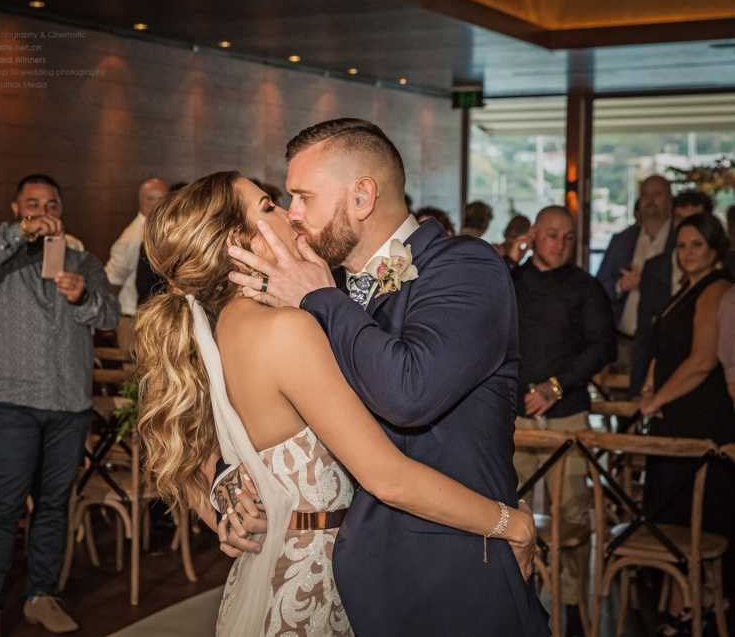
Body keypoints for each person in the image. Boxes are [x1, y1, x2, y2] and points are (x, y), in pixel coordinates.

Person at [135, 170, 539, 637]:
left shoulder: (225, 325)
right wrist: (510, 525)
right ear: (235, 243)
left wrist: (228, 490)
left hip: (285, 573)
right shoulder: (287, 329)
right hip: (317, 583)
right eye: (269, 206)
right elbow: (387, 476)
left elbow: (211, 444)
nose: (290, 213)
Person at [0, 174, 119, 637]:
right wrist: (21, 234)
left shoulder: (83, 261)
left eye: (50, 203)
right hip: (11, 402)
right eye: (32, 204)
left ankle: (42, 596)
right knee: (4, 504)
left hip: (69, 403)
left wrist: (83, 297)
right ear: (16, 209)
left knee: (54, 504)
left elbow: (109, 313)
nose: (42, 210)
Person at [511, 205, 616, 636]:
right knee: (507, 508)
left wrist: (555, 386)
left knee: (571, 514)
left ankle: (571, 608)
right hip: (514, 416)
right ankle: (514, 598)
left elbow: (601, 347)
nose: (561, 244)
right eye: (552, 235)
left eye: (569, 237)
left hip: (566, 414)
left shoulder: (585, 287)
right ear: (534, 235)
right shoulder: (511, 278)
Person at [639, 212, 735, 634]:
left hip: (700, 417)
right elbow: (668, 353)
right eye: (681, 245)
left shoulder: (715, 290)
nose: (687, 252)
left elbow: (701, 361)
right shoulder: (687, 289)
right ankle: (687, 600)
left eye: (696, 244)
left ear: (715, 248)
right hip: (676, 414)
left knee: (693, 514)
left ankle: (693, 604)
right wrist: (649, 389)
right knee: (673, 513)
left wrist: (655, 399)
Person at [630, 190, 715, 395]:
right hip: (663, 379)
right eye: (679, 219)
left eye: (694, 220)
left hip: (707, 383)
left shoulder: (722, 279)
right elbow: (645, 336)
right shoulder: (654, 267)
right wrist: (637, 390)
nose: (686, 227)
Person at [597, 175, 674, 371]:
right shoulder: (622, 240)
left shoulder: (680, 240)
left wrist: (649, 284)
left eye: (657, 194)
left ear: (670, 199)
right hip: (622, 341)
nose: (650, 200)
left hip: (665, 345)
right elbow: (597, 288)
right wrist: (620, 285)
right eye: (645, 195)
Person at [105, 177, 169, 351]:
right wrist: (108, 320)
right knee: (133, 376)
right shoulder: (134, 236)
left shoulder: (156, 230)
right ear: (144, 201)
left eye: (165, 199)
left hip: (149, 317)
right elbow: (111, 281)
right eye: (155, 199)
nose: (162, 204)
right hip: (133, 319)